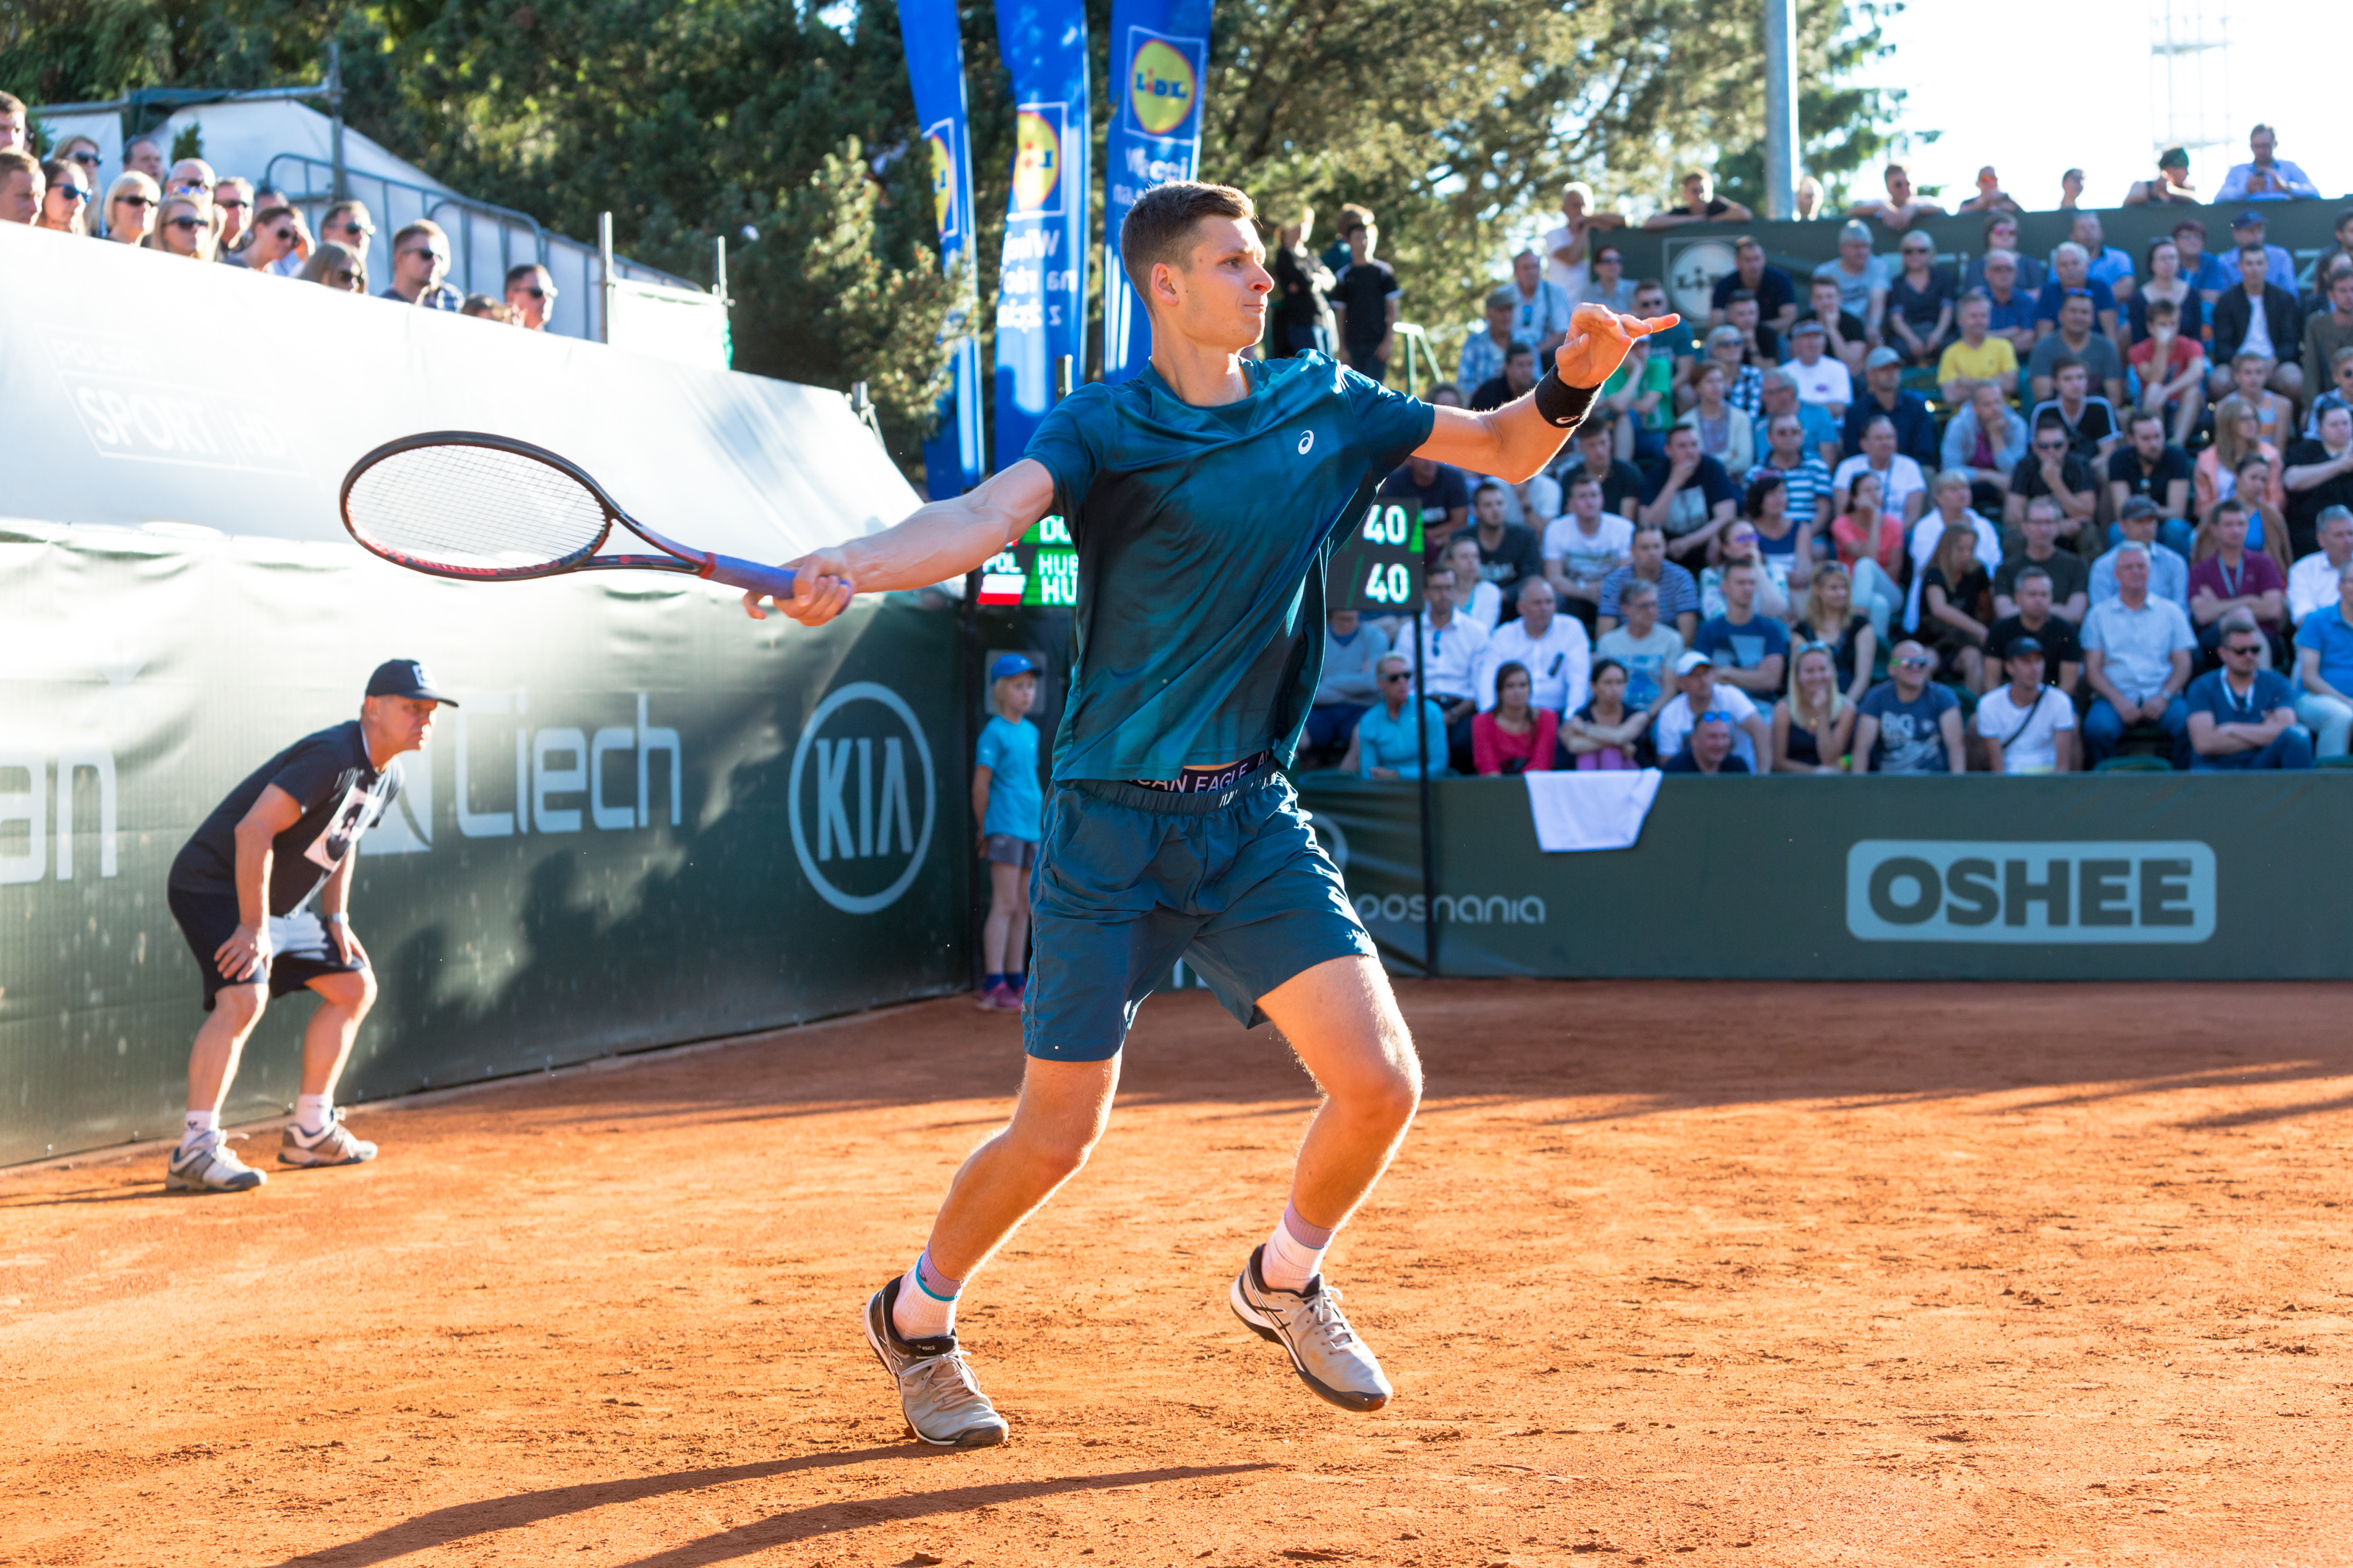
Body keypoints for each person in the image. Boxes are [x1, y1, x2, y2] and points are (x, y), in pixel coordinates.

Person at [743, 180, 1674, 1445]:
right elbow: (978, 519)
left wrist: (1576, 380)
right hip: (1108, 830)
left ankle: (1283, 1278)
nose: (1262, 281)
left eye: (1260, 263)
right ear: (1164, 285)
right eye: (1234, 263)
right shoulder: (1105, 425)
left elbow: (1508, 445)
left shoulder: (1323, 398)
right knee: (1057, 1134)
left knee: (1381, 1082)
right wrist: (854, 562)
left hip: (1249, 819)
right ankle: (916, 1316)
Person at [161, 661, 449, 1193]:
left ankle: (310, 1130)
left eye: (430, 710)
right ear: (372, 709)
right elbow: (253, 831)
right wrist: (252, 925)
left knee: (353, 985)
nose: (424, 719)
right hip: (215, 884)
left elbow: (345, 837)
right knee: (244, 997)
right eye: (412, 708)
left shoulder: (389, 775)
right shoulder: (333, 756)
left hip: (278, 905)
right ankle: (194, 1149)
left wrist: (335, 917)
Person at [2081, 544, 2196, 766]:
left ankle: (2183, 790)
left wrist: (2164, 697)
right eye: (2128, 567)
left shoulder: (2171, 612)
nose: (2136, 572)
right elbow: (2093, 669)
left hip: (2162, 694)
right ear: (2116, 574)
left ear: (2150, 571)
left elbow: (2183, 664)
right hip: (2114, 696)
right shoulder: (2098, 615)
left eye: (2141, 566)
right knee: (2097, 729)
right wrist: (2119, 701)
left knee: (2188, 725)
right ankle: (2101, 793)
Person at [972, 655, 1043, 1012]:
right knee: (1004, 904)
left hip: (1032, 828)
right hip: (1004, 826)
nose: (1026, 693)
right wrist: (984, 828)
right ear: (1001, 690)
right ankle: (993, 982)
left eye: (1030, 686)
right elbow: (981, 786)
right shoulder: (993, 732)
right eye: (1019, 686)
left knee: (1024, 908)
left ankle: (1016, 979)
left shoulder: (1031, 732)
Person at [2185, 617, 2313, 770]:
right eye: (2240, 651)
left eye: (2255, 650)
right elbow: (2204, 743)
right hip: (2216, 767)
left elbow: (2288, 729)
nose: (2249, 656)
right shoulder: (2202, 686)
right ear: (2223, 653)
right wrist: (2265, 732)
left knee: (2298, 737)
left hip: (2262, 763)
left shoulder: (2277, 683)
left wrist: (2231, 728)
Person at [2188, 499, 2288, 662]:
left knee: (2244, 617)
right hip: (2218, 638)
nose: (2236, 530)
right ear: (2215, 529)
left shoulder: (2264, 563)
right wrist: (2249, 602)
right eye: (2228, 525)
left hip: (2262, 635)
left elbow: (2274, 609)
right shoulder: (2201, 570)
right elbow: (2203, 614)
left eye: (2241, 524)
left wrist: (2219, 607)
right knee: (2242, 615)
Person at [1478, 576, 1591, 719]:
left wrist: (1571, 718)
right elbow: (1487, 678)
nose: (1544, 608)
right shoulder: (1503, 635)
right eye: (1537, 603)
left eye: (1549, 602)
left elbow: (1578, 681)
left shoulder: (1571, 629)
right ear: (1521, 607)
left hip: (1559, 714)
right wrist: (1490, 716)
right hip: (1512, 716)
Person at [2208, 243, 2304, 406]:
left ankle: (2292, 428)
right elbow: (2222, 345)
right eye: (2249, 263)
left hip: (2274, 363)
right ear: (2240, 267)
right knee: (2219, 382)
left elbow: (2291, 343)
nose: (2255, 269)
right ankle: (2223, 429)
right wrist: (2241, 366)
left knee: (2294, 380)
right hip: (2237, 363)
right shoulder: (2226, 301)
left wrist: (2274, 361)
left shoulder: (2284, 299)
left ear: (2267, 265)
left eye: (2259, 263)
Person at [1906, 470, 2002, 632]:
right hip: (1935, 595)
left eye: (1965, 487)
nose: (1962, 493)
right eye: (1954, 489)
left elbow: (1994, 566)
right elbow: (1930, 567)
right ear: (1939, 497)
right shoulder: (1925, 527)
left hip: (1975, 593)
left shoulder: (1984, 526)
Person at [1852, 642, 1965, 774]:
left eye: (1921, 663)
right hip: (1886, 785)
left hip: (1934, 785)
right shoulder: (1876, 698)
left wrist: (1958, 789)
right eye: (1907, 663)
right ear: (1891, 669)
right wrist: (1859, 789)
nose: (1916, 667)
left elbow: (1956, 746)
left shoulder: (1944, 697)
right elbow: (1862, 748)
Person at [1543, 473, 1634, 628]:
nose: (1590, 502)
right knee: (1555, 599)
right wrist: (1585, 591)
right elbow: (1554, 580)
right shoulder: (1556, 529)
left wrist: (1604, 591)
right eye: (1583, 497)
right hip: (1573, 596)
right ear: (1571, 503)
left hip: (1612, 595)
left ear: (1602, 499)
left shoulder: (1623, 528)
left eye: (1594, 495)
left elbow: (1625, 577)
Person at [1975, 638, 2077, 774]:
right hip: (2011, 782)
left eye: (2038, 661)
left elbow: (2062, 768)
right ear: (2009, 667)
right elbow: (1997, 769)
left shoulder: (2060, 701)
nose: (2034, 668)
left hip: (2050, 781)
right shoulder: (1988, 704)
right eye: (2026, 662)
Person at [1638, 423, 1738, 563]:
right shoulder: (1655, 475)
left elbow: (1727, 517)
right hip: (1666, 551)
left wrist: (1687, 542)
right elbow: (1646, 524)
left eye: (1694, 445)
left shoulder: (1713, 468)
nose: (1690, 451)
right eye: (1682, 446)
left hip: (1706, 547)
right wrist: (1673, 484)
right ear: (1668, 450)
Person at [1654, 650, 1769, 769]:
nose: (1703, 680)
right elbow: (1668, 762)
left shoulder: (1731, 695)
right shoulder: (1669, 714)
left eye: (1706, 673)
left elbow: (1759, 731)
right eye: (1695, 676)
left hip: (1738, 774)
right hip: (1692, 780)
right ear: (1681, 683)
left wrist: (1762, 778)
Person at [1343, 654, 1450, 780]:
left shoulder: (1430, 712)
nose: (1402, 682)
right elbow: (1369, 773)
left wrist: (1398, 775)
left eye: (1406, 676)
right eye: (1394, 678)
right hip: (1388, 792)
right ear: (1380, 683)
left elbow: (1439, 766)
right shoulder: (1369, 721)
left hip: (1427, 788)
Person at [1693, 559, 1788, 697]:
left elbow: (1771, 681)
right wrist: (1755, 677)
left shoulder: (1771, 629)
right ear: (1724, 586)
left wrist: (1726, 672)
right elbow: (1702, 679)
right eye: (1741, 583)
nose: (1748, 588)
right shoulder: (1708, 630)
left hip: (1762, 707)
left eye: (1752, 583)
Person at [1828, 470, 1905, 637]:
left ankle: (1855, 622)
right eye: (1868, 491)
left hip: (1889, 588)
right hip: (1850, 590)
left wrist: (1873, 518)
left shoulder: (1895, 525)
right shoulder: (1841, 524)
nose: (1874, 494)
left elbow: (1894, 568)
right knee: (1878, 604)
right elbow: (1869, 556)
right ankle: (1876, 655)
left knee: (1865, 566)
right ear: (1854, 498)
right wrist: (1873, 520)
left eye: (1877, 489)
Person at [1985, 566, 2082, 698]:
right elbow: (1991, 681)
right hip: (2009, 703)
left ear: (2051, 597)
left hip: (2054, 703)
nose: (2039, 600)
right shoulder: (1999, 630)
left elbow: (2069, 683)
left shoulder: (2066, 631)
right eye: (2032, 594)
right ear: (2018, 597)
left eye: (2044, 594)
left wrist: (2042, 709)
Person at [1596, 523, 1701, 642]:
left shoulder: (1682, 579)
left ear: (1664, 547)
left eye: (1657, 547)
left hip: (1669, 649)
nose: (1652, 553)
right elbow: (1604, 638)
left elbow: (1687, 638)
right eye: (1645, 548)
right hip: (1625, 649)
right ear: (1632, 551)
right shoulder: (1614, 582)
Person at [1993, 499, 2090, 626]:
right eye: (2037, 522)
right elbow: (2004, 613)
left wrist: (2028, 609)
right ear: (2024, 527)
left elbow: (2075, 614)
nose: (2043, 529)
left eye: (2049, 522)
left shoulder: (2076, 565)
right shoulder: (2006, 569)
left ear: (2058, 527)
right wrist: (2058, 609)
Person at [1918, 522, 1992, 686]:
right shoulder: (1933, 573)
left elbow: (1986, 608)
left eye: (1970, 549)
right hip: (1933, 641)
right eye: (1960, 549)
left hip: (1964, 642)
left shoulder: (1978, 572)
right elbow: (1939, 609)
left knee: (1974, 659)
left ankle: (1973, 708)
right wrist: (1978, 629)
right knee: (1924, 663)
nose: (1967, 555)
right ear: (1947, 549)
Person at [1329, 211, 1400, 383]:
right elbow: (1340, 314)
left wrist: (1388, 342)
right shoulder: (1343, 276)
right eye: (1358, 237)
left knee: (1375, 390)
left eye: (1366, 237)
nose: (1363, 242)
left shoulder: (1383, 272)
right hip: (1353, 346)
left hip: (1376, 344)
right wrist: (1342, 348)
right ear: (1349, 241)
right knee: (1353, 390)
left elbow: (1393, 309)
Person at [2128, 296, 2207, 448]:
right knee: (2153, 390)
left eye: (2173, 324)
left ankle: (2176, 445)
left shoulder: (2192, 345)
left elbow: (2196, 372)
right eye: (2163, 325)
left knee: (2193, 391)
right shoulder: (2137, 351)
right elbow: (2154, 378)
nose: (2169, 329)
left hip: (2186, 406)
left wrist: (2167, 391)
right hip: (2153, 405)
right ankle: (2156, 445)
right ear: (2151, 327)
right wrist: (2162, 347)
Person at [2004, 417, 2099, 544]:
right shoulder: (2024, 466)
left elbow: (2087, 513)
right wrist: (2052, 526)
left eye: (2057, 445)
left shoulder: (2080, 465)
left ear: (2066, 445)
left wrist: (2055, 483)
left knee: (2089, 532)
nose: (2051, 451)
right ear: (2035, 447)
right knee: (2014, 533)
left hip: (2070, 528)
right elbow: (2012, 515)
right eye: (2044, 446)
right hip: (2036, 528)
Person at [1795, 561, 1877, 706]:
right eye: (1833, 588)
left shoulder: (1861, 625)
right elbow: (1798, 677)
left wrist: (1844, 707)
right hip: (1811, 704)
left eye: (1844, 587)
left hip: (1851, 703)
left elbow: (1863, 678)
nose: (1841, 593)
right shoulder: (1801, 630)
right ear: (1817, 590)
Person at [1943, 380, 2029, 518]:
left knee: (2018, 489)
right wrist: (1989, 476)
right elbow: (1949, 470)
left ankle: (2013, 533)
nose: (1995, 408)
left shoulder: (2017, 425)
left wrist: (1997, 438)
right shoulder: (1959, 425)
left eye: (1998, 402)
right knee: (1950, 489)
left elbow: (2015, 472)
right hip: (1969, 483)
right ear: (1975, 407)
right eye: (1987, 404)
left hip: (2004, 484)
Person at [2293, 561, 2353, 757]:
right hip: (2316, 698)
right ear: (2340, 585)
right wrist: (2347, 701)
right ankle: (2328, 782)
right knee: (2341, 716)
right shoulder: (2317, 620)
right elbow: (2309, 678)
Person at [1595, 579, 1684, 712]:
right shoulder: (1608, 642)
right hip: (1617, 713)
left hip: (1657, 713)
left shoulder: (1672, 639)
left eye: (1654, 604)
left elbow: (1669, 690)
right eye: (1644, 606)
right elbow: (1603, 688)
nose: (1651, 611)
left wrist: (1645, 717)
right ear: (1626, 609)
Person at [2107, 411, 2195, 545]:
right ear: (2131, 439)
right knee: (2117, 531)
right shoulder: (2119, 459)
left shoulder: (2176, 456)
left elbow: (2178, 512)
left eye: (2157, 437)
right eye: (2146, 439)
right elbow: (2121, 511)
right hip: (2135, 524)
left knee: (2175, 528)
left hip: (2165, 525)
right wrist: (2150, 512)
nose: (2154, 444)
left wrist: (2144, 511)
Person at [1840, 347, 1938, 468]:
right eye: (1884, 369)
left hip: (1911, 472)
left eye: (1895, 368)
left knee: (1927, 472)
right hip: (1867, 473)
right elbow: (1852, 452)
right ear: (1870, 375)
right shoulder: (1856, 411)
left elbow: (1925, 450)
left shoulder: (1916, 406)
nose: (1892, 373)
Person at [1308, 610, 1387, 755]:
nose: (1347, 623)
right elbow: (1310, 691)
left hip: (1361, 707)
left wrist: (1328, 680)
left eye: (1351, 619)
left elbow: (1372, 682)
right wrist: (1355, 685)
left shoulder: (1375, 636)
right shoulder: (1317, 637)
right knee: (1300, 735)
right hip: (1323, 709)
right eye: (1342, 619)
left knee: (1361, 733)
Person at [2196, 395, 2287, 521]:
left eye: (2254, 418)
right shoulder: (2207, 459)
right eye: (2244, 419)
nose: (2252, 423)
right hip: (2218, 522)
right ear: (2228, 423)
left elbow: (2276, 502)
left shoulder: (2270, 456)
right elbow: (2202, 508)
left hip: (2260, 519)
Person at [2027, 293, 2127, 408]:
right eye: (2073, 311)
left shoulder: (2106, 347)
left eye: (2084, 312)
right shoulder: (2043, 347)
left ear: (2092, 318)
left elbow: (2114, 396)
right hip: (2055, 416)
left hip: (2096, 413)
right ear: (2060, 315)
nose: (2078, 317)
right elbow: (2043, 398)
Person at [2091, 497, 2191, 608]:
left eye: (2151, 520)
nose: (2147, 527)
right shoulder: (2103, 566)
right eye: (2139, 521)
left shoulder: (2175, 563)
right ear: (2123, 526)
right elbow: (2100, 613)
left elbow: (2180, 611)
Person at [1772, 639, 1854, 773]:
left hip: (1833, 784)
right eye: (1809, 671)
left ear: (1832, 671)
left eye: (1823, 669)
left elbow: (1829, 760)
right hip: (1794, 782)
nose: (1817, 677)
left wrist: (1821, 713)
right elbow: (1778, 762)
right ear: (1798, 676)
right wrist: (1815, 773)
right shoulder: (1783, 708)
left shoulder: (1846, 708)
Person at [1749, 409, 1835, 536]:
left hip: (1810, 537)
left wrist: (1804, 538)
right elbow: (1751, 512)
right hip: (1767, 538)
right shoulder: (1756, 472)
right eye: (1782, 433)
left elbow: (1824, 511)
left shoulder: (1817, 468)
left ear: (1802, 436)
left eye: (1795, 432)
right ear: (1769, 438)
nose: (1789, 437)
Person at [1464, 481, 1545, 615]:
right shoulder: (1463, 538)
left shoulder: (1525, 536)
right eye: (1488, 505)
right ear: (1476, 511)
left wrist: (1501, 595)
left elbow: (1531, 578)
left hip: (1515, 608)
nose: (1495, 509)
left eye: (1499, 503)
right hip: (1474, 607)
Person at [1832, 413, 1927, 525]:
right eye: (1878, 438)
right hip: (1857, 534)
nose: (1885, 443)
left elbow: (1913, 517)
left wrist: (1889, 535)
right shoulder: (1847, 468)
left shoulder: (1910, 467)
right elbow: (1842, 515)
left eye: (1889, 437)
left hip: (1899, 535)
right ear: (1864, 444)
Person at [2285, 405, 2353, 560]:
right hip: (2311, 538)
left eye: (2345, 423)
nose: (2341, 429)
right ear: (2320, 428)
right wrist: (2341, 465)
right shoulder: (2305, 451)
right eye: (2334, 425)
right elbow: (2291, 480)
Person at [2030, 357, 2122, 469]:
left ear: (2087, 380)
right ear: (2055, 383)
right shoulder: (2043, 409)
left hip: (2093, 467)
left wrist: (2082, 471)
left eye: (2080, 377)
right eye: (2068, 379)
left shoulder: (2101, 406)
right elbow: (2038, 452)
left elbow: (2108, 453)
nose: (2076, 384)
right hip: (2054, 467)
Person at [1563, 658, 1652, 770]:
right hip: (1591, 768)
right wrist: (1621, 745)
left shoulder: (1638, 716)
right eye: (1608, 682)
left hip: (1630, 776)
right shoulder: (1582, 715)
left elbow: (1619, 737)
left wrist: (1584, 727)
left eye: (1619, 682)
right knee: (1587, 755)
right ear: (1594, 686)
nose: (1615, 688)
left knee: (1610, 752)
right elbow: (1573, 745)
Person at [1472, 661, 1560, 775]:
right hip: (1495, 787)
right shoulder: (1482, 721)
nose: (1517, 692)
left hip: (1533, 786)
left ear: (1530, 689)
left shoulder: (1547, 718)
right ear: (1499, 691)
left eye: (1523, 685)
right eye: (1510, 686)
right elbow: (1487, 766)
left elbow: (1541, 764)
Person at [1882, 231, 1955, 366]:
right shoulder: (1896, 283)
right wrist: (1912, 340)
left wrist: (1937, 335)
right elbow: (1896, 319)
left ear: (1931, 253)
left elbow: (1948, 310)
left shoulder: (1944, 278)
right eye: (1909, 251)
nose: (1915, 255)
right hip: (1907, 335)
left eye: (1921, 250)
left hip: (1938, 331)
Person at [1543, 181, 1625, 298]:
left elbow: (1622, 221)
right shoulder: (1554, 234)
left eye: (1584, 205)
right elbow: (1572, 258)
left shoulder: (1594, 231)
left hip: (1589, 304)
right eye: (1576, 205)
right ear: (1564, 209)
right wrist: (1586, 227)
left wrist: (1590, 219)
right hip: (1562, 305)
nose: (1581, 210)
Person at [1376, 452, 1471, 554]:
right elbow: (1392, 523)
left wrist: (1427, 538)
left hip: (1446, 542)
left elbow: (1460, 523)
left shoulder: (1454, 478)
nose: (1428, 462)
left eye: (1432, 455)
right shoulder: (1395, 482)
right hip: (1407, 546)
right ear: (1408, 460)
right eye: (1421, 457)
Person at [1813, 220, 1890, 340]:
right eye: (1856, 247)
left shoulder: (1878, 265)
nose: (1862, 252)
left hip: (1867, 330)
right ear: (1842, 249)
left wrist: (1874, 325)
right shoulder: (1824, 272)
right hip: (1836, 330)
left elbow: (1878, 297)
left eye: (1865, 246)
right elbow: (1819, 308)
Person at [1554, 419, 1646, 518]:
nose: (1599, 451)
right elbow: (1569, 519)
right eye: (1592, 445)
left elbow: (1628, 521)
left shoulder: (1628, 473)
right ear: (1580, 447)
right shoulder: (1569, 477)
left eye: (1603, 443)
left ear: (1610, 441)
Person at [1937, 293, 2018, 404]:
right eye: (1974, 316)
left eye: (1984, 315)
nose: (1980, 320)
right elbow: (1951, 396)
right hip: (1966, 414)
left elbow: (2009, 385)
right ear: (1960, 320)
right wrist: (1994, 383)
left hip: (2000, 409)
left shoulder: (2003, 346)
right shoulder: (1950, 353)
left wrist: (1967, 383)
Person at [1676, 358, 1754, 472]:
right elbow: (1688, 462)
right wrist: (1729, 456)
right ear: (1697, 387)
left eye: (1720, 381)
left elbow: (1744, 461)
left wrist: (1707, 461)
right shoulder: (1685, 422)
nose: (1716, 386)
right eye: (1709, 381)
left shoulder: (1741, 418)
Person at [2125, 236, 2204, 346]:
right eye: (2162, 258)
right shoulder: (2137, 299)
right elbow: (2137, 341)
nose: (2168, 262)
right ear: (2152, 263)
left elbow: (2196, 338)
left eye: (2172, 257)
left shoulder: (2192, 294)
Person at [1708, 235, 1798, 332]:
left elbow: (1790, 318)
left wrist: (1758, 330)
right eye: (1748, 260)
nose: (1754, 266)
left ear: (1764, 259)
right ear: (1737, 263)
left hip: (1771, 335)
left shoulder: (1781, 279)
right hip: (1735, 338)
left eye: (1757, 259)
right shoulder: (1724, 285)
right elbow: (1716, 324)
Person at [1759, 367, 1840, 471]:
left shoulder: (1819, 415)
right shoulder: (1760, 425)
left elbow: (1828, 461)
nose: (1763, 398)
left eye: (1770, 393)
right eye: (1763, 393)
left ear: (1789, 391)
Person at [2215, 125, 2319, 204]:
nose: (2260, 151)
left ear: (2275, 144)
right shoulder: (2238, 171)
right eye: (2256, 146)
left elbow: (2314, 192)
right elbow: (2219, 197)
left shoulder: (2290, 168)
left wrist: (2286, 188)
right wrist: (2246, 189)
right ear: (2251, 146)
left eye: (2265, 146)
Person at [2036, 246, 2119, 345]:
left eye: (2075, 263)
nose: (2070, 269)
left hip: (2096, 350)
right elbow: (2044, 337)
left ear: (2086, 266)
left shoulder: (2100, 287)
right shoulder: (2048, 292)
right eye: (2063, 265)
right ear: (2056, 270)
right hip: (2059, 353)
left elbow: (2110, 333)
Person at [2288, 506, 2353, 625]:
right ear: (2321, 539)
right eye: (2339, 535)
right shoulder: (2303, 570)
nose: (2348, 540)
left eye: (2351, 533)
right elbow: (2303, 617)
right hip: (2322, 640)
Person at [1507, 248, 1574, 358]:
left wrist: (1534, 353)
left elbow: (1563, 332)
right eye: (1526, 268)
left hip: (1545, 354)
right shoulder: (1504, 295)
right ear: (1516, 272)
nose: (1532, 272)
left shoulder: (1555, 292)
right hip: (1511, 354)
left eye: (1535, 267)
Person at [1798, 273, 1870, 377]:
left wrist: (1832, 330)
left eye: (1830, 296)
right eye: (1819, 297)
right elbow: (1797, 360)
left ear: (1840, 298)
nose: (1825, 302)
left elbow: (1851, 364)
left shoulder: (1854, 323)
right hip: (1809, 375)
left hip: (1843, 377)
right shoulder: (1802, 323)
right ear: (1812, 300)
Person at [1971, 249, 2041, 355]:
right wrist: (2010, 333)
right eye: (1997, 269)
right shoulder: (1976, 301)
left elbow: (2028, 339)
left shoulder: (2026, 301)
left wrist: (1988, 337)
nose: (2004, 273)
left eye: (2009, 269)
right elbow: (1971, 337)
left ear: (2016, 273)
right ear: (1987, 274)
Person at [381, 219, 462, 309]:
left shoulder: (449, 301)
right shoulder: (382, 309)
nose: (434, 262)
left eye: (439, 257)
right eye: (426, 254)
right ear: (400, 258)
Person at [1780, 318, 1854, 415]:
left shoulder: (1838, 368)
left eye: (1817, 337)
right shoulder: (1784, 372)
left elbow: (1839, 408)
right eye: (1806, 337)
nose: (1813, 343)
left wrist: (1801, 407)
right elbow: (1783, 408)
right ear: (1795, 343)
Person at [1459, 291, 1521, 397]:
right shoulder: (1474, 343)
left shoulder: (1525, 341)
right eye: (1500, 311)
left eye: (1509, 310)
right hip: (1484, 406)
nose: (1506, 316)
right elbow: (1464, 384)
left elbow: (1536, 381)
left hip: (1521, 405)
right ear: (1488, 314)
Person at [1850, 164, 1945, 232]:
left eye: (1908, 183)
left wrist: (1914, 208)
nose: (1904, 188)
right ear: (1888, 186)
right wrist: (1881, 207)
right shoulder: (1880, 204)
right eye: (1898, 184)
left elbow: (1942, 209)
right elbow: (1851, 212)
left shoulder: (1922, 202)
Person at [1645, 169, 1750, 229]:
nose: (1701, 195)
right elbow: (1651, 222)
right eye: (1695, 191)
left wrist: (1711, 219)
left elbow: (1745, 214)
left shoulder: (1717, 206)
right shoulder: (1681, 212)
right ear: (1685, 193)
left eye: (1704, 190)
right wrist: (1692, 219)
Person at [230, 203, 307, 276]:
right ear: (259, 230)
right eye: (283, 234)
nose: (289, 243)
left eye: (295, 239)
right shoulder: (232, 267)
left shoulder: (276, 273)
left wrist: (306, 257)